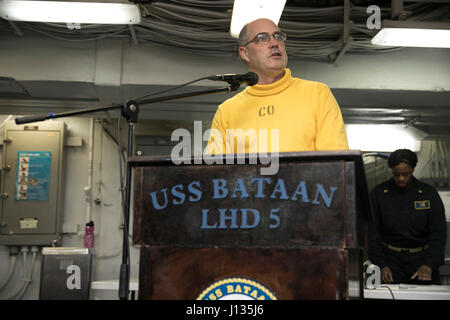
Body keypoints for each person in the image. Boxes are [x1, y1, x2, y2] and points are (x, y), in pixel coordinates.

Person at [205, 18, 348, 155]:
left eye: (278, 36)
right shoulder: (226, 112)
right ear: (245, 53)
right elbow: (216, 172)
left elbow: (337, 163)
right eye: (262, 38)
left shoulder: (317, 94)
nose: (274, 43)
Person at [368, 149, 447, 284]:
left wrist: (429, 264)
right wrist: (381, 265)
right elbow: (372, 233)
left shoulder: (428, 194)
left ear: (413, 169)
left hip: (422, 260)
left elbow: (438, 233)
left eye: (406, 174)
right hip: (390, 261)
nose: (401, 178)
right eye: (396, 174)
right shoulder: (379, 194)